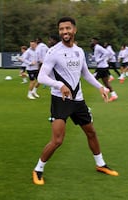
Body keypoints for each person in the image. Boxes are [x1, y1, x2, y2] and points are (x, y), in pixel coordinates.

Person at [32, 16, 118, 185]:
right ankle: (38, 169)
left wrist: (100, 87)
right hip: (61, 100)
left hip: (78, 100)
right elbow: (41, 77)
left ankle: (100, 164)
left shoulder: (79, 51)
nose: (65, 31)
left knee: (91, 132)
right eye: (61, 29)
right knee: (57, 140)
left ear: (74, 30)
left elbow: (85, 73)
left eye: (68, 28)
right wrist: (59, 85)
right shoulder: (53, 52)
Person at [91, 38, 118, 102]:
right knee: (106, 83)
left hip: (101, 67)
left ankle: (105, 89)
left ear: (95, 41)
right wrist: (95, 58)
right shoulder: (96, 48)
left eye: (92, 41)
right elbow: (98, 56)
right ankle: (114, 95)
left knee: (93, 79)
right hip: (103, 67)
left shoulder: (98, 47)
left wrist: (100, 60)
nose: (91, 42)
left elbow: (106, 53)